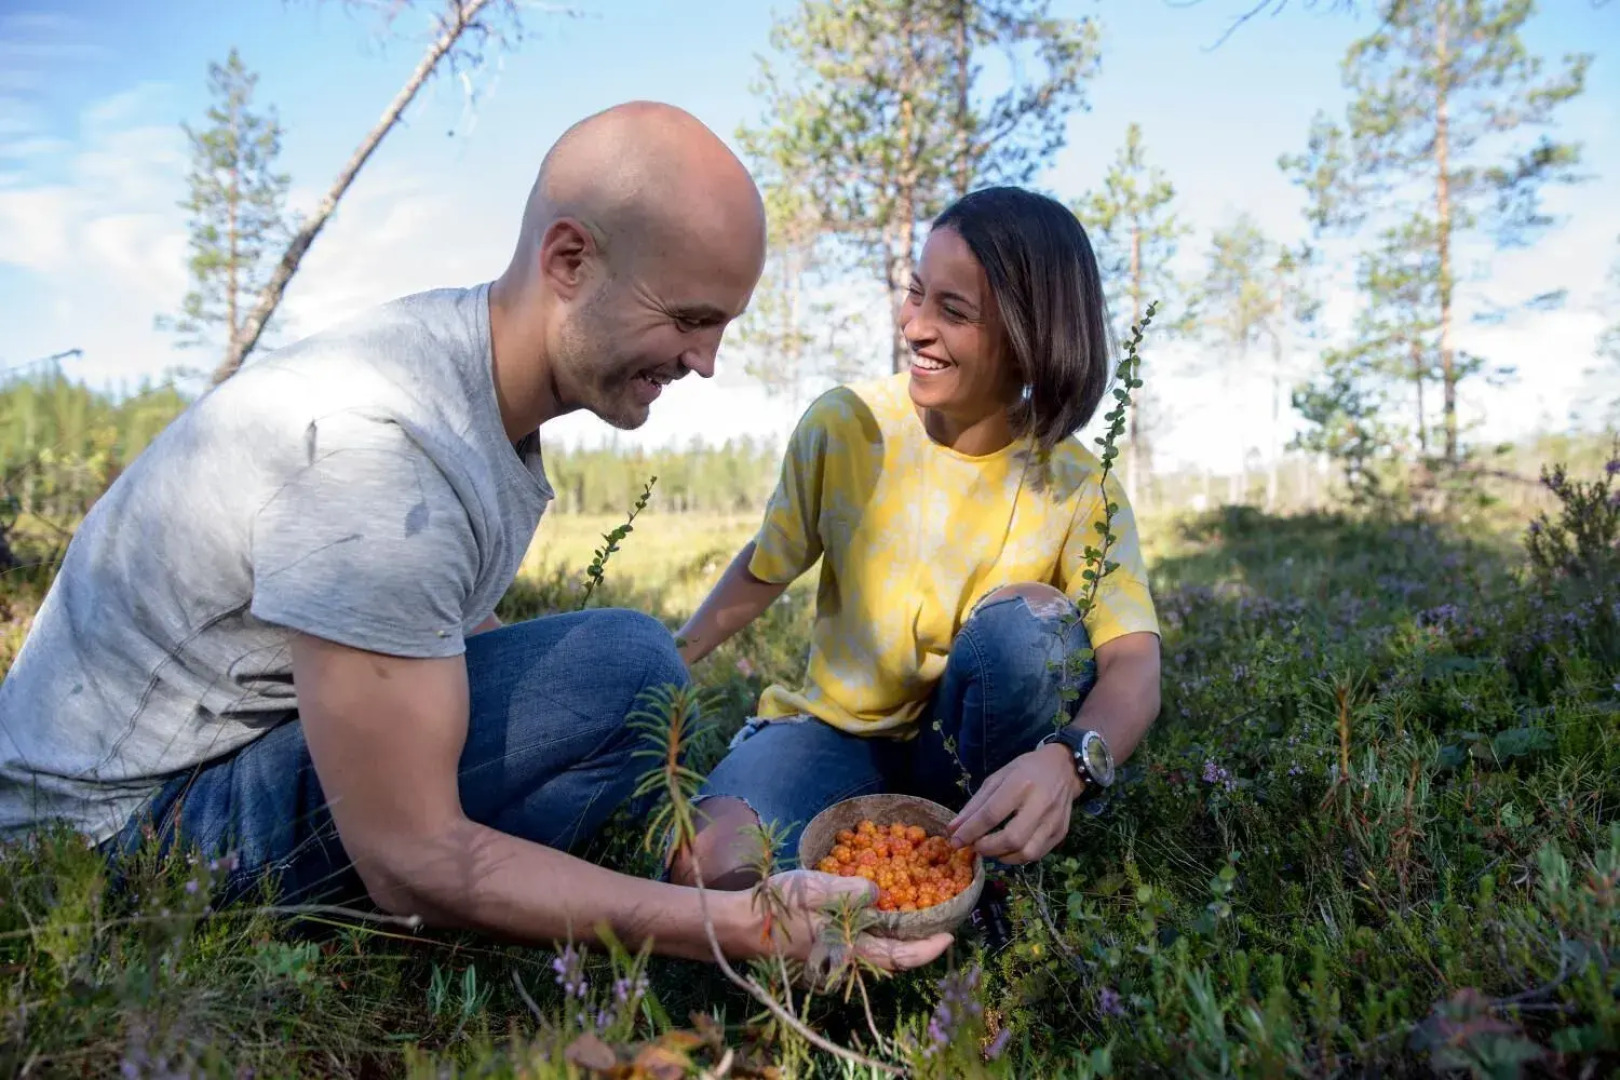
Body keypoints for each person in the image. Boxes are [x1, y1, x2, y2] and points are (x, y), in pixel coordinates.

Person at [0, 101, 951, 974]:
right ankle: (397, 921)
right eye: (689, 320)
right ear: (569, 260)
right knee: (626, 668)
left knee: (630, 691)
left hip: (199, 773)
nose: (704, 362)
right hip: (105, 848)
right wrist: (729, 927)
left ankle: (461, 902)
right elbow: (412, 856)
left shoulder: (462, 382)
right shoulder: (385, 458)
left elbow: (438, 633)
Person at [672, 186, 1163, 895]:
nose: (915, 325)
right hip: (829, 735)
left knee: (1033, 627)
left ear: (1031, 340)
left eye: (952, 311)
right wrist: (672, 659)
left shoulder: (1081, 487)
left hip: (968, 761)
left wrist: (1068, 764)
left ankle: (982, 868)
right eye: (916, 293)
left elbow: (1134, 667)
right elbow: (766, 565)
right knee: (712, 872)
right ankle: (904, 883)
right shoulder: (847, 427)